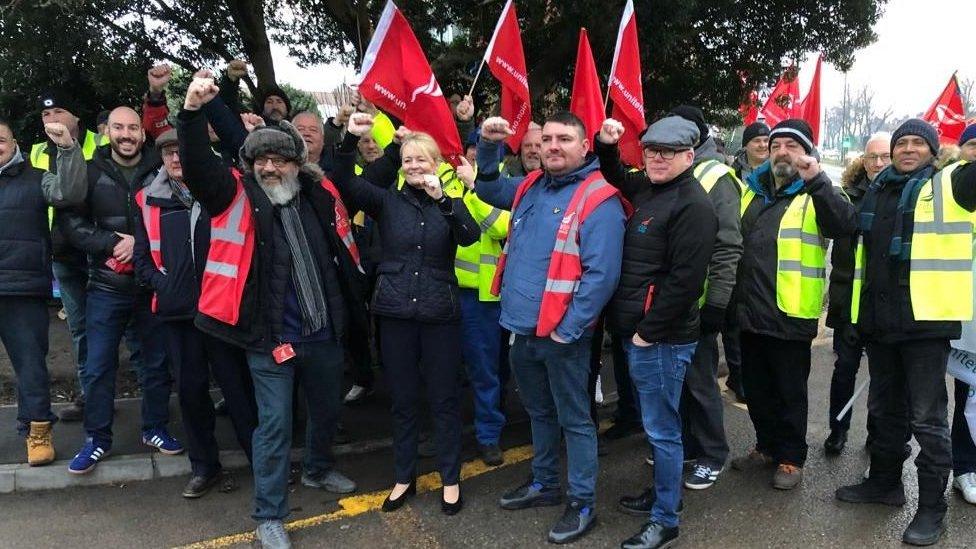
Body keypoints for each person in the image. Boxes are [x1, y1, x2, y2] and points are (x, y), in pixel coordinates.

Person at [178, 77, 364, 549]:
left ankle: (319, 469)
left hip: (322, 332)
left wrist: (344, 135)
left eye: (279, 160)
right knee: (275, 425)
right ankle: (269, 514)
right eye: (260, 160)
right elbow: (200, 169)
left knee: (325, 410)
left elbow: (345, 184)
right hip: (269, 338)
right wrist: (194, 113)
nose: (269, 168)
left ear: (298, 165)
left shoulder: (318, 196)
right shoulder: (236, 196)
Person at [475, 112, 628, 544]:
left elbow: (602, 277)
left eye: (565, 139)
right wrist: (488, 146)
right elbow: (486, 186)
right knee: (540, 413)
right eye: (547, 139)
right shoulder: (529, 186)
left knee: (576, 421)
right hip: (522, 330)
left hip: (564, 338)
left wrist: (569, 329)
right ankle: (544, 484)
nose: (554, 146)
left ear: (585, 147)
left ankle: (582, 504)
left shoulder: (600, 198)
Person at [835, 119, 976, 546]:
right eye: (902, 143)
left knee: (927, 421)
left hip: (925, 326)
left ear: (934, 151)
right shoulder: (879, 190)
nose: (908, 149)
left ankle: (932, 507)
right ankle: (884, 483)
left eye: (919, 143)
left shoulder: (950, 184)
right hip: (880, 325)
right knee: (884, 411)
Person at [333, 113, 479, 516]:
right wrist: (349, 139)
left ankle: (451, 479)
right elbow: (344, 182)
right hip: (395, 314)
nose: (415, 166)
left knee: (444, 399)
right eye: (408, 159)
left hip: (439, 316)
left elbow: (471, 235)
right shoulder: (386, 201)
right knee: (403, 400)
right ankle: (403, 477)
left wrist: (445, 201)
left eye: (423, 160)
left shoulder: (449, 201)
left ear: (436, 165)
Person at [596, 116, 717, 549]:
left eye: (667, 152)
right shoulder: (651, 187)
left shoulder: (693, 206)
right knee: (664, 424)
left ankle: (665, 518)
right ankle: (662, 496)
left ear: (689, 155)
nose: (657, 158)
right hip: (643, 334)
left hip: (661, 338)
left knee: (662, 430)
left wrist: (647, 333)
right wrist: (606, 145)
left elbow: (686, 282)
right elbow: (615, 176)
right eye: (650, 151)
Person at [729, 119, 855, 490]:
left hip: (790, 311)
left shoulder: (818, 192)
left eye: (792, 145)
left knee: (789, 392)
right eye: (776, 145)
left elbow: (842, 224)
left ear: (807, 152)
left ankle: (790, 457)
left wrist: (817, 181)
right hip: (748, 310)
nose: (783, 152)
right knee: (755, 387)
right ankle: (766, 446)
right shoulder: (751, 189)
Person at [131, 129, 258, 498]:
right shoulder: (146, 199)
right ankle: (205, 468)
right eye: (169, 153)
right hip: (178, 315)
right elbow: (141, 258)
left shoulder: (225, 190)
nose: (175, 159)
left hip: (221, 311)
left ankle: (261, 464)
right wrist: (162, 285)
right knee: (190, 393)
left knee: (239, 391)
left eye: (181, 151)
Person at [59, 106, 182, 474]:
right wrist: (112, 241)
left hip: (150, 285)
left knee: (156, 363)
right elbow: (70, 222)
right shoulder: (89, 169)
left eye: (132, 128)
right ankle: (97, 438)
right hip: (106, 286)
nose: (126, 134)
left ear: (142, 134)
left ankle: (155, 428)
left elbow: (176, 217)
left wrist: (139, 244)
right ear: (106, 131)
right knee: (98, 366)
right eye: (118, 128)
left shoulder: (159, 169)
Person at [0, 118, 87, 465]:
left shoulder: (37, 179)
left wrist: (67, 149)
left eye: (0, 139)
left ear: (14, 142)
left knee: (31, 366)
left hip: (22, 289)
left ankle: (37, 430)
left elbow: (71, 192)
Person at [669, 105, 743, 490]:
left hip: (699, 305)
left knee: (699, 382)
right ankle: (685, 447)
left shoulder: (717, 176)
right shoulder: (671, 169)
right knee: (677, 382)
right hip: (669, 303)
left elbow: (728, 246)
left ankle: (712, 454)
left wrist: (717, 303)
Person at [30, 89, 108, 422]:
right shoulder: (34, 152)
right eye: (46, 115)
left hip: (101, 251)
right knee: (79, 328)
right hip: (61, 254)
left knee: (120, 325)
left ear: (76, 117)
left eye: (59, 111)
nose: (52, 119)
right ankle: (91, 396)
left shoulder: (101, 144)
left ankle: (145, 398)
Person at [823, 132, 891, 455]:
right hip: (848, 302)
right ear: (862, 160)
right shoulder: (847, 195)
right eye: (871, 157)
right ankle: (838, 429)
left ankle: (877, 435)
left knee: (883, 375)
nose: (877, 163)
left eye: (884, 156)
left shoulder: (908, 194)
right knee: (844, 370)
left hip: (885, 304)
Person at [453, 155, 511, 466]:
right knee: (480, 371)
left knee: (495, 369)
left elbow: (501, 226)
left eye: (480, 153)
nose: (472, 158)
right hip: (467, 295)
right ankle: (485, 433)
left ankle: (492, 429)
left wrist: (475, 188)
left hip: (496, 295)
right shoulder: (451, 184)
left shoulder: (499, 186)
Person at [951, 123, 976, 504]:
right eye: (972, 145)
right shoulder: (953, 189)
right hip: (965, 315)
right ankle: (966, 468)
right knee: (967, 393)